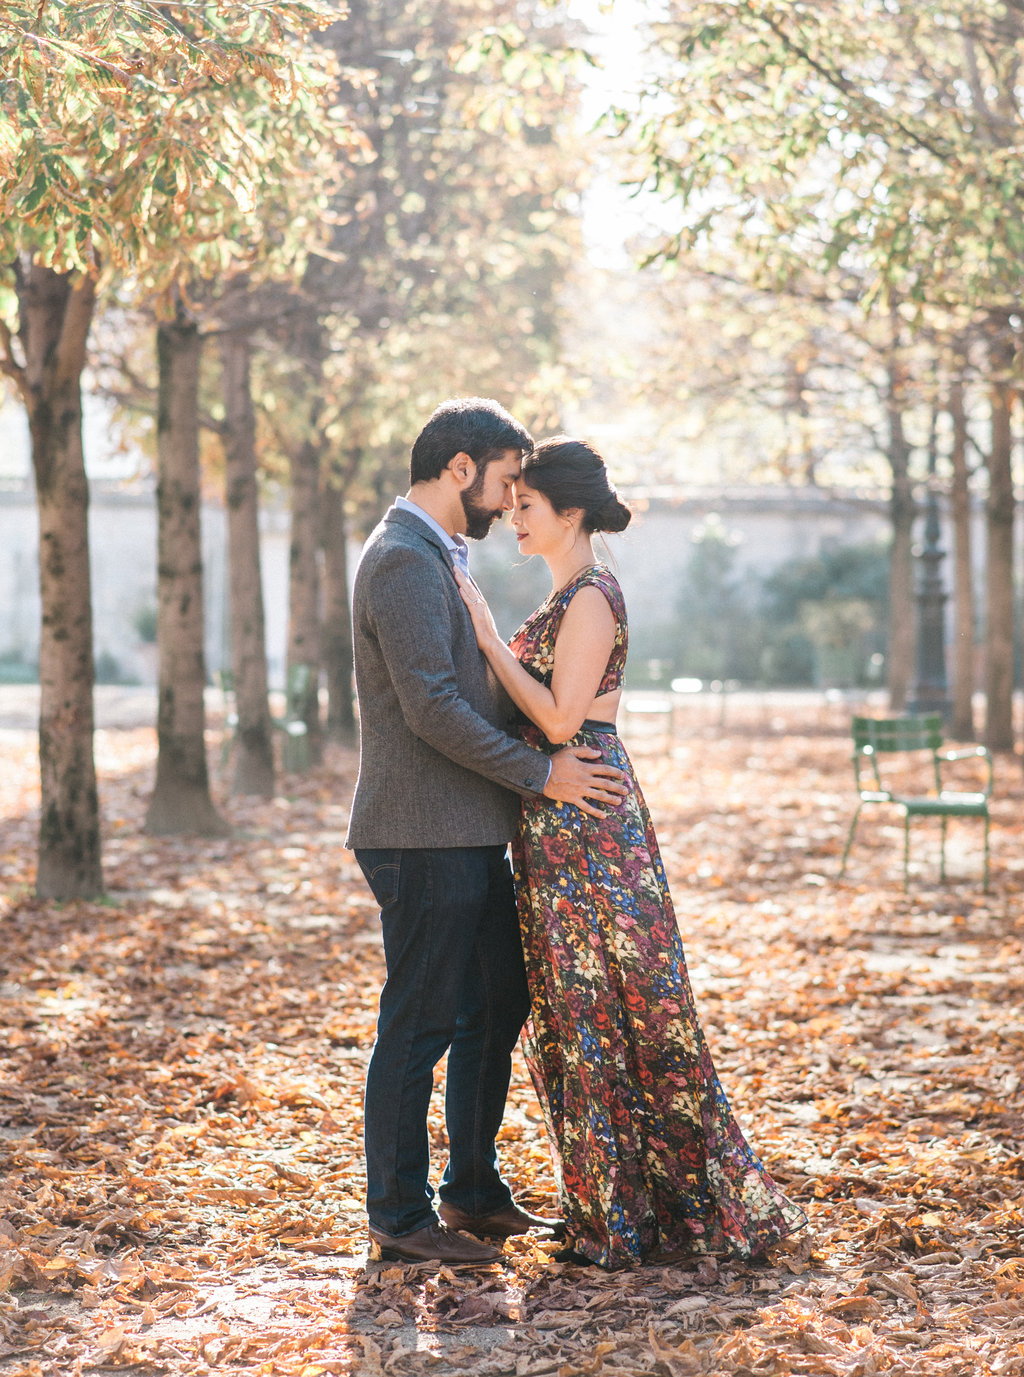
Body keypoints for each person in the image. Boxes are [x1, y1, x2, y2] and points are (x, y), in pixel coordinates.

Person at [456, 436, 808, 1270]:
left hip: (590, 821)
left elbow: (558, 720)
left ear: (569, 513)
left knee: (622, 1010)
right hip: (555, 820)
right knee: (578, 1015)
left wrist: (485, 638)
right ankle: (611, 1207)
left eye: (526, 506)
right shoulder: (564, 593)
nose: (513, 516)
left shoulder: (590, 597)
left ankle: (648, 1211)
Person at [345, 400, 628, 1267]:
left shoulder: (442, 555)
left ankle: (472, 1191)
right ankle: (398, 1212)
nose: (512, 499)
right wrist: (544, 771)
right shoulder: (401, 558)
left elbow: (481, 688)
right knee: (420, 1020)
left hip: (466, 828)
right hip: (421, 832)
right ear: (461, 467)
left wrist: (578, 718)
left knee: (495, 1002)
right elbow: (433, 706)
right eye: (508, 478)